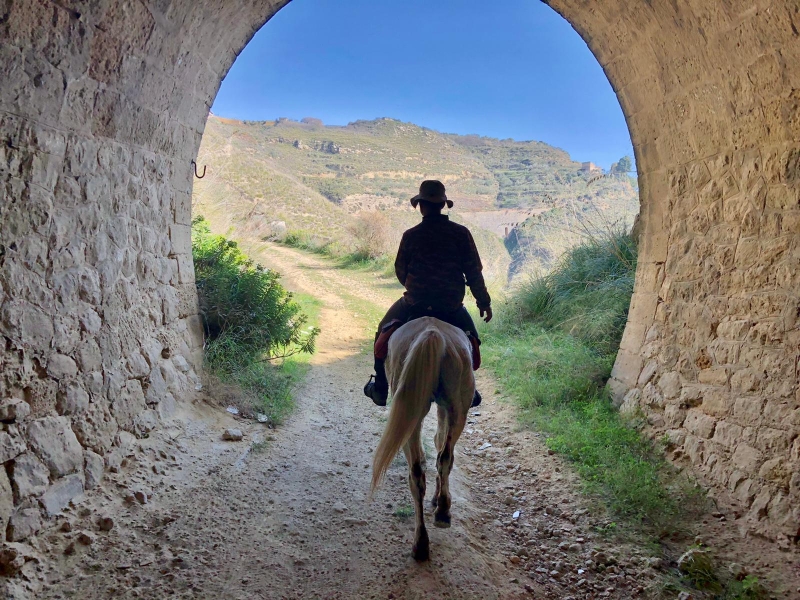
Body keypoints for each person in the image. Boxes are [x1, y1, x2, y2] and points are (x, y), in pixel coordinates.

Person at [364, 180, 492, 407]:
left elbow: (400, 271)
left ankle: (381, 388)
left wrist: (416, 287)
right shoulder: (461, 234)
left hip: (415, 304)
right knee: (472, 341)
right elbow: (474, 272)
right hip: (451, 306)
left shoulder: (411, 235)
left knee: (381, 336)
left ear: (421, 206)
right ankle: (468, 388)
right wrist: (483, 301)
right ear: (443, 205)